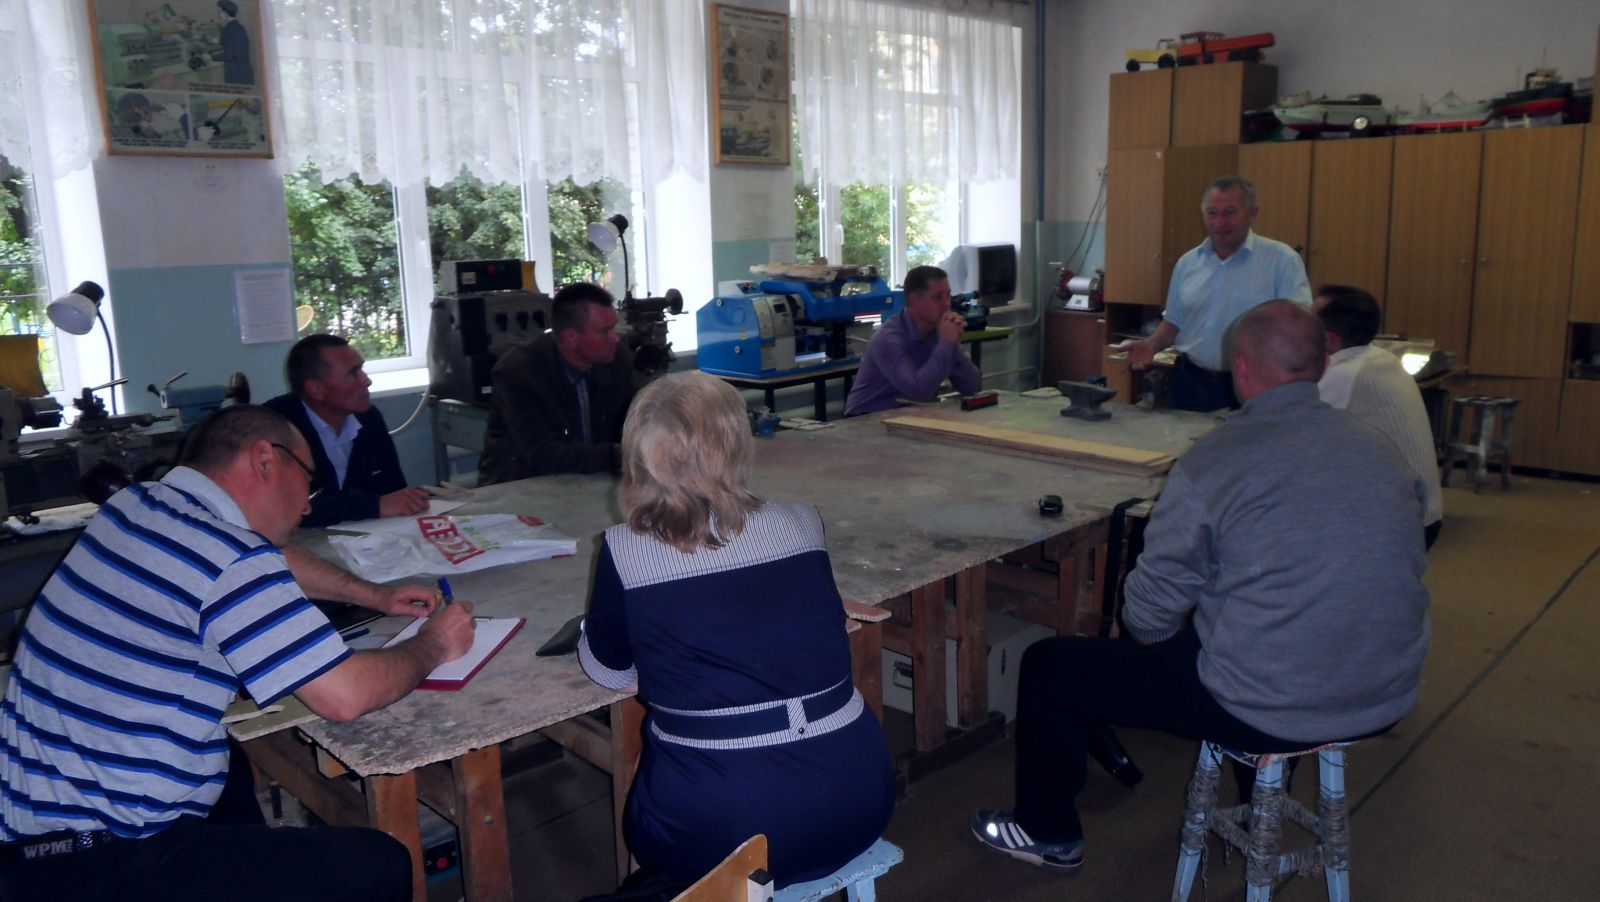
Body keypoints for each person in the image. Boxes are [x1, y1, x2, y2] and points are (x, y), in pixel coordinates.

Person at [971, 300, 1430, 875]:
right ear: (1322, 364)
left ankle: (1047, 833)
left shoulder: (1217, 461)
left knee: (1052, 667)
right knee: (1284, 624)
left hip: (1273, 704)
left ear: (1242, 368)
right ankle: (1265, 782)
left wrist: (1172, 649)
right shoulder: (1380, 451)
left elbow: (1147, 615)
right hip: (1385, 691)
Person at [0, 404, 477, 901]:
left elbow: (269, 555)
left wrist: (371, 595)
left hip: (27, 822)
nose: (308, 506)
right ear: (265, 460)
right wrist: (434, 644)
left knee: (228, 769)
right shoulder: (229, 556)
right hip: (100, 861)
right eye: (310, 482)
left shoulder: (139, 503)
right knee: (377, 864)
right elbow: (344, 696)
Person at [578, 372, 894, 892]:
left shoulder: (625, 550)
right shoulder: (802, 522)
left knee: (655, 808)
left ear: (637, 456)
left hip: (725, 837)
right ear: (735, 445)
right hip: (860, 801)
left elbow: (608, 672)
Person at [1125, 176, 1311, 412]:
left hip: (1252, 386)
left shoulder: (1282, 261)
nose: (1220, 222)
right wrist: (1151, 344)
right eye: (1212, 213)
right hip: (1189, 381)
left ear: (1253, 213)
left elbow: (1297, 328)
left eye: (1230, 212)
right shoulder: (1187, 263)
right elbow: (1174, 322)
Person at [1315, 285, 1445, 548]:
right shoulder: (1381, 358)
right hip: (1423, 513)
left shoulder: (1347, 374)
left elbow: (1299, 437)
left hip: (1401, 525)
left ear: (1330, 339)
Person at [264, 334, 430, 528]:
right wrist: (373, 506)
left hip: (367, 537)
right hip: (298, 538)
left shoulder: (369, 418)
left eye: (362, 369)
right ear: (316, 389)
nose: (366, 381)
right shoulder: (275, 425)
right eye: (353, 373)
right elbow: (283, 509)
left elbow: (394, 490)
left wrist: (409, 500)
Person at [479, 283, 639, 483]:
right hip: (519, 487)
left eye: (613, 328)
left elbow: (634, 421)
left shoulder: (616, 360)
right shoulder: (518, 373)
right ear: (571, 338)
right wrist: (620, 454)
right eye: (605, 331)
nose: (615, 338)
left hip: (589, 480)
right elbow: (544, 455)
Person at [843, 265, 982, 416]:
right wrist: (946, 344)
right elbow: (918, 391)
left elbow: (972, 387)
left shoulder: (940, 332)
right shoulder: (888, 339)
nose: (946, 304)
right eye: (937, 297)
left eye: (948, 296)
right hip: (867, 419)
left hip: (909, 415)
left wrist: (952, 345)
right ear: (913, 300)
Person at [215, 1, 255, 86]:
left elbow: (229, 55)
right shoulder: (240, 28)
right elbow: (237, 45)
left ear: (226, 13)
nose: (218, 15)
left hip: (235, 75)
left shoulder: (226, 30)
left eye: (220, 12)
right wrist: (220, 40)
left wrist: (211, 57)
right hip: (246, 73)